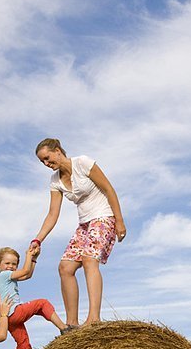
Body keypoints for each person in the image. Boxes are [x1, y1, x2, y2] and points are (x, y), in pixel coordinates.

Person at [32, 138, 126, 327]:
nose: (47, 164)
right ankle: (72, 324)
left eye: (48, 158)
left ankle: (93, 318)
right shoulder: (55, 180)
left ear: (58, 150)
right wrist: (38, 239)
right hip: (84, 224)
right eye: (43, 162)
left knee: (89, 259)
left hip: (103, 217)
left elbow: (108, 189)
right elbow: (52, 214)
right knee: (65, 267)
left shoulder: (83, 163)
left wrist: (119, 220)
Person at [0, 245, 70, 349]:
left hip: (7, 320)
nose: (11, 266)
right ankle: (64, 328)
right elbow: (25, 270)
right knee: (42, 303)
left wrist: (34, 259)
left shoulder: (7, 278)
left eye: (14, 264)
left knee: (23, 345)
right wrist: (28, 255)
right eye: (7, 263)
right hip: (14, 312)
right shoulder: (3, 276)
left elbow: (27, 275)